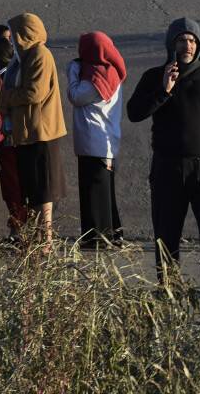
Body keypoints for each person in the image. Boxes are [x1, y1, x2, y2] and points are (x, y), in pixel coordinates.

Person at [127, 17, 200, 317]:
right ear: (171, 44)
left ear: (198, 45)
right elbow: (134, 113)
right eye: (181, 40)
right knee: (166, 239)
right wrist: (163, 90)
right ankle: (170, 302)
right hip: (166, 171)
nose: (187, 45)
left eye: (192, 40)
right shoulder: (154, 77)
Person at [0, 12, 67, 249]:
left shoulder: (40, 55)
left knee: (43, 187)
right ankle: (38, 237)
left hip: (42, 132)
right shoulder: (22, 58)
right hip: (26, 134)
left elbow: (34, 93)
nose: (11, 40)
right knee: (31, 188)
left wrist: (5, 98)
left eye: (14, 34)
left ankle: (45, 239)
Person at [67, 31, 127, 248]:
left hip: (94, 141)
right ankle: (113, 234)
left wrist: (72, 71)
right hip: (103, 140)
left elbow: (75, 95)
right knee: (103, 192)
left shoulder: (98, 78)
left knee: (95, 193)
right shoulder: (111, 73)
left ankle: (98, 238)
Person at [0, 32, 28, 241]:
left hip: (5, 139)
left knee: (12, 187)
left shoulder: (0, 78)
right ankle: (19, 226)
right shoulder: (12, 73)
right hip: (12, 138)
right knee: (17, 185)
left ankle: (18, 228)